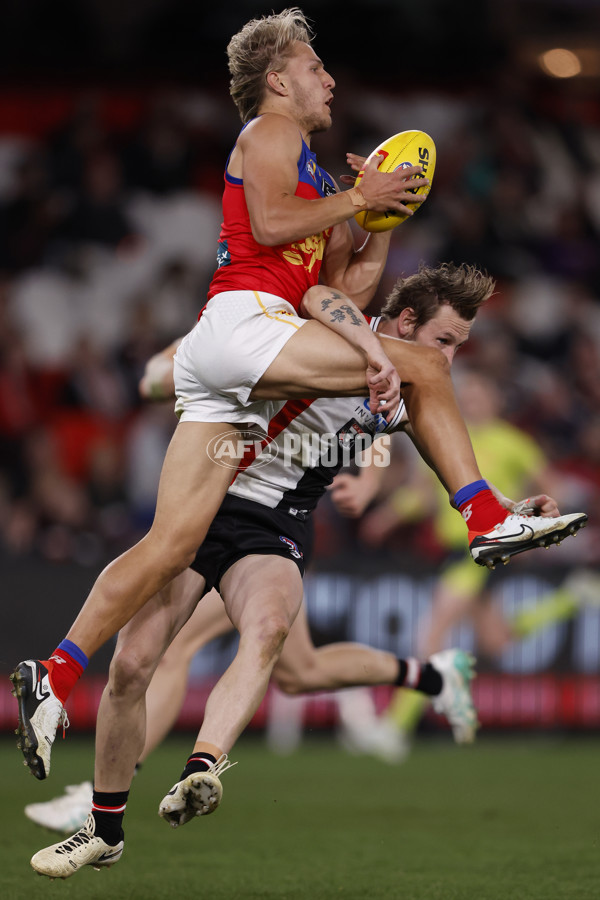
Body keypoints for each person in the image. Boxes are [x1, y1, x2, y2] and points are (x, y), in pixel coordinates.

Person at [12, 7, 586, 793]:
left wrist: (380, 216)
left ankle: (54, 674)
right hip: (246, 322)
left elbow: (342, 289)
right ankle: (484, 514)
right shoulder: (271, 132)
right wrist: (357, 201)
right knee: (426, 367)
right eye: (316, 68)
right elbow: (271, 220)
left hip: (234, 355)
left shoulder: (316, 171)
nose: (330, 80)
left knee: (171, 544)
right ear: (279, 78)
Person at [27, 262, 577, 879]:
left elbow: (410, 446)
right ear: (402, 322)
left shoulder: (405, 390)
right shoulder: (339, 343)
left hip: (279, 526)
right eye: (442, 341)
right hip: (209, 499)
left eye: (458, 347)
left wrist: (499, 504)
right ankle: (103, 826)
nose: (448, 358)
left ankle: (201, 769)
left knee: (268, 632)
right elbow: (320, 293)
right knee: (135, 663)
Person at [339, 367, 595, 761]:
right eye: (468, 394)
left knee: (430, 635)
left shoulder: (513, 442)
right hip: (458, 556)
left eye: (479, 394)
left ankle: (394, 730)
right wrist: (388, 516)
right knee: (499, 640)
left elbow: (555, 487)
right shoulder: (449, 436)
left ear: (496, 401)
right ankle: (571, 599)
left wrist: (524, 510)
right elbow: (424, 495)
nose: (472, 400)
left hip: (476, 555)